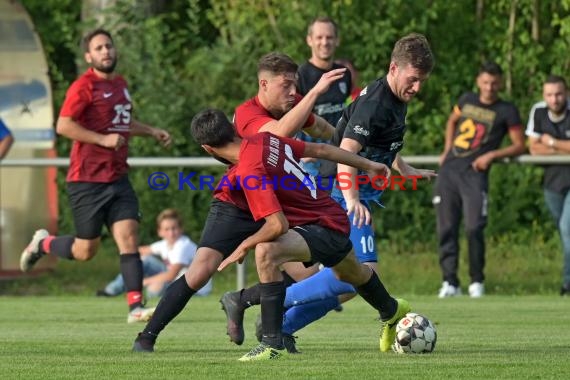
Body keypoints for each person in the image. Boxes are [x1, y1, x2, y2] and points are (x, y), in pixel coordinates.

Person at [132, 108, 411, 360]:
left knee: (268, 251)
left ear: (207, 148)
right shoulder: (265, 139)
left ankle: (271, 342)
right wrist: (368, 164)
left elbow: (277, 225)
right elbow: (322, 150)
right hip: (323, 216)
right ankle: (391, 310)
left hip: (322, 225)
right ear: (234, 128)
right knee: (352, 275)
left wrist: (245, 245)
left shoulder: (249, 169)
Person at [221, 33, 436, 351]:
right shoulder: (376, 103)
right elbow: (348, 150)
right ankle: (259, 303)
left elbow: (377, 143)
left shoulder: (394, 99)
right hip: (340, 193)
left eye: (422, 81)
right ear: (394, 68)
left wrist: (404, 168)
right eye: (413, 79)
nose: (417, 88)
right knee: (360, 273)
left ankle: (280, 324)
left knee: (348, 282)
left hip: (350, 194)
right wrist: (351, 199)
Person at [19, 28, 172, 323]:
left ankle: (135, 308)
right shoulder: (83, 86)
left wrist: (151, 131)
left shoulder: (121, 84)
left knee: (129, 237)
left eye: (109, 46)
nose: (106, 52)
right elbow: (63, 125)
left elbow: (120, 123)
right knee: (85, 250)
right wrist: (102, 140)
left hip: (117, 177)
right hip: (87, 180)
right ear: (89, 56)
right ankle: (42, 243)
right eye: (99, 48)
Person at [434, 61, 525, 298]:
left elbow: (519, 145)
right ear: (478, 82)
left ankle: (477, 281)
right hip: (449, 171)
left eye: (494, 83)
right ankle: (450, 282)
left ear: (500, 83)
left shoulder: (507, 109)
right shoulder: (466, 99)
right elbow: (452, 121)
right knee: (446, 228)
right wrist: (446, 149)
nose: (489, 87)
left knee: (474, 227)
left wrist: (492, 154)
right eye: (485, 82)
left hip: (475, 174)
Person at [96, 208, 212, 298]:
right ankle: (110, 291)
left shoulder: (183, 245)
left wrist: (141, 282)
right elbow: (137, 250)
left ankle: (147, 306)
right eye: (167, 229)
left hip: (195, 290)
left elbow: (171, 275)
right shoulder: (164, 244)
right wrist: (123, 240)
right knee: (143, 260)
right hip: (177, 282)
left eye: (174, 228)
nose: (171, 233)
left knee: (155, 287)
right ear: (160, 232)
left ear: (181, 229)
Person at [526, 75, 570, 296]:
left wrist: (551, 142)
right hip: (552, 183)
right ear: (544, 96)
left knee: (567, 229)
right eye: (550, 95)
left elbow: (543, 144)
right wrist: (564, 148)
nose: (555, 99)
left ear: (567, 93)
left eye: (559, 94)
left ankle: (567, 285)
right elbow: (533, 148)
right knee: (565, 236)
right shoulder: (538, 112)